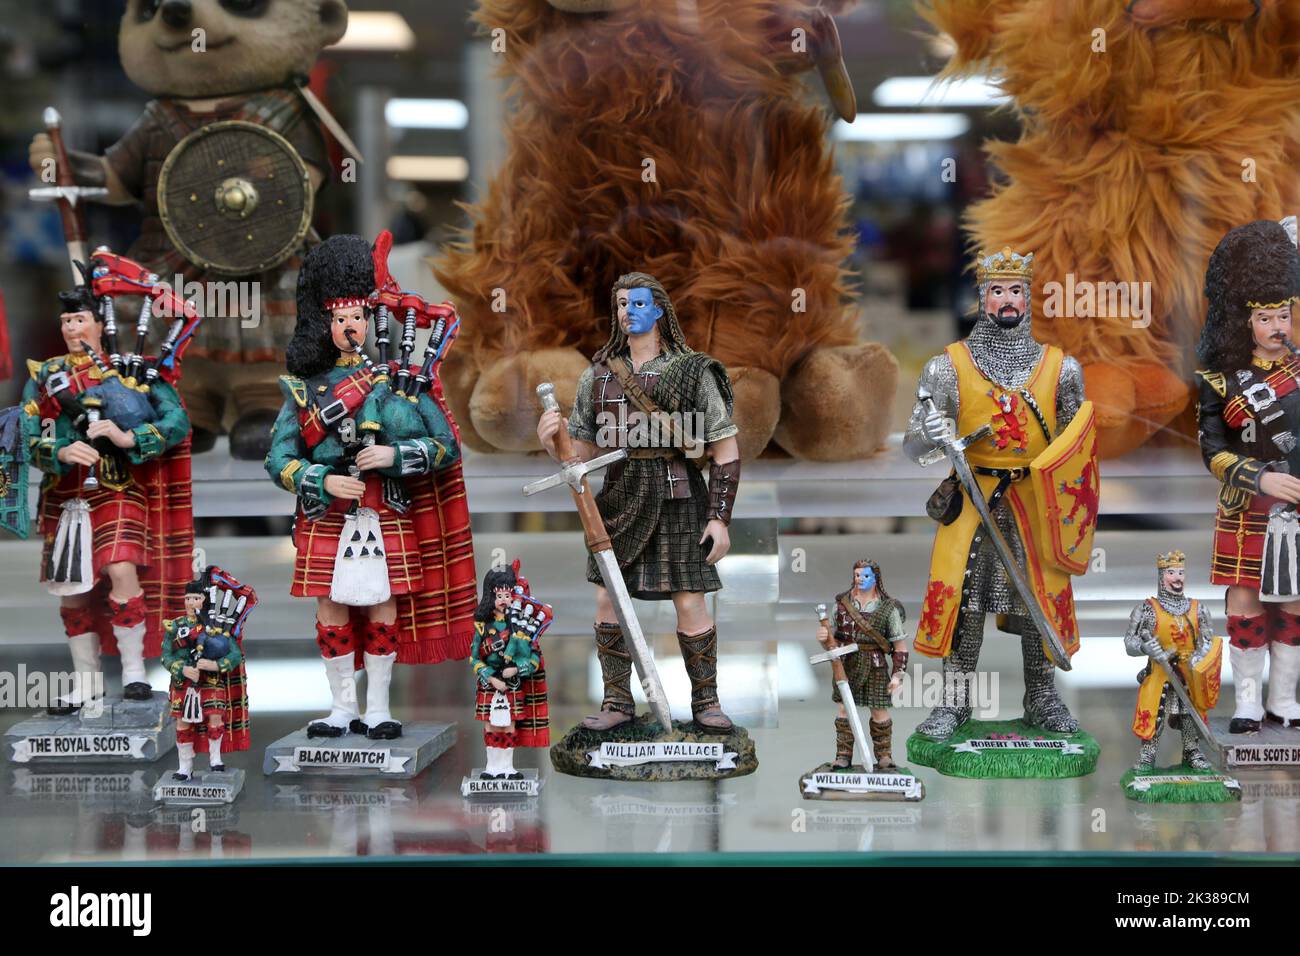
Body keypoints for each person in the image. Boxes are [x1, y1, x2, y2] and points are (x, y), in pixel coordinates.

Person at [264, 234, 475, 740]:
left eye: (358, 317)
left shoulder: (402, 383)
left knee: (383, 604)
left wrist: (394, 455)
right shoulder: (304, 388)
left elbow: (446, 446)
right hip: (326, 514)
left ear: (370, 320)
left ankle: (377, 707)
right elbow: (277, 459)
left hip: (387, 508)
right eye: (340, 319)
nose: (350, 326)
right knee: (331, 606)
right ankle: (341, 708)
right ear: (326, 324)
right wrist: (323, 478)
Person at [537, 272, 742, 732]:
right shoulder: (599, 376)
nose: (628, 311)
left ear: (661, 310)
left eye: (638, 303)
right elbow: (584, 456)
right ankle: (616, 702)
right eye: (622, 303)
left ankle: (706, 702)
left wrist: (720, 519)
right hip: (621, 499)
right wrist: (555, 444)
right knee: (608, 600)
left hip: (679, 497)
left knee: (691, 602)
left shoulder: (695, 372)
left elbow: (725, 453)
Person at [904, 247, 1087, 739]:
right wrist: (932, 433)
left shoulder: (1062, 369)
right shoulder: (946, 368)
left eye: (1015, 291)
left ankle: (1043, 697)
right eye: (997, 291)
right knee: (964, 601)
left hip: (1034, 504)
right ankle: (955, 703)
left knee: (1036, 603)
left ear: (1028, 299)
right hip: (973, 498)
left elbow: (1076, 450)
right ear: (981, 298)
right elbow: (914, 447)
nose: (1007, 300)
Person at [22, 274, 193, 712]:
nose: (72, 330)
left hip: (118, 486)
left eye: (79, 319)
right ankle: (87, 681)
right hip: (66, 493)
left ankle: (135, 673)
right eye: (65, 321)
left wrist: (129, 438)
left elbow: (175, 422)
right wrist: (59, 448)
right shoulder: (46, 376)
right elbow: (29, 434)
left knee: (121, 568)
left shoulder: (133, 372)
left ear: (99, 324)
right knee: (72, 588)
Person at [1194, 219, 1300, 733]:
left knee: (1292, 600)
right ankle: (1247, 704)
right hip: (1246, 505)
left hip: (1297, 507)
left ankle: (1284, 701)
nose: (1278, 326)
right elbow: (1211, 450)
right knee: (1245, 598)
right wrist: (1259, 480)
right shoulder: (1220, 379)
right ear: (1246, 321)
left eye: (1284, 314)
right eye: (1267, 318)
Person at [1123, 551, 1216, 771]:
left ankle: (1192, 751)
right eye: (1171, 572)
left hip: (1189, 673)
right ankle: (1148, 753)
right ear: (1161, 576)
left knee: (1188, 715)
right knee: (1154, 713)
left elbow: (1209, 642)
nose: (1177, 578)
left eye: (1181, 573)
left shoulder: (1198, 609)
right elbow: (1129, 642)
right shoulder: (1147, 609)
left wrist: (1198, 659)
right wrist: (1145, 647)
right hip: (1159, 673)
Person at [816, 559, 907, 769]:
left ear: (875, 578)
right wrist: (823, 637)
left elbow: (899, 645)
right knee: (844, 710)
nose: (860, 580)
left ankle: (884, 756)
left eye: (865, 576)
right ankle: (843, 755)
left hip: (875, 664)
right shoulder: (842, 605)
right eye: (857, 575)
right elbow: (833, 642)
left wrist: (898, 674)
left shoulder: (888, 608)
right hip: (847, 664)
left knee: (879, 710)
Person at [162, 573, 251, 780]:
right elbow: (166, 656)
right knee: (183, 723)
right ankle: (185, 766)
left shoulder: (217, 625)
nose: (191, 603)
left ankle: (215, 760)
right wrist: (182, 669)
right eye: (187, 598)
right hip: (184, 682)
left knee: (215, 717)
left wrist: (215, 665)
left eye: (196, 598)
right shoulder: (175, 626)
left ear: (204, 600)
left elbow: (234, 654)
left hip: (211, 680)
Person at [471, 562, 550, 780]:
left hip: (513, 683)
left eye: (508, 596)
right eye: (499, 596)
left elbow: (533, 660)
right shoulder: (482, 625)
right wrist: (490, 677)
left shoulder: (522, 627)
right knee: (491, 726)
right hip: (490, 683)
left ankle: (506, 768)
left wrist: (516, 668)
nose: (504, 601)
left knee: (508, 726)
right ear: (490, 596)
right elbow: (474, 658)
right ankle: (491, 767)